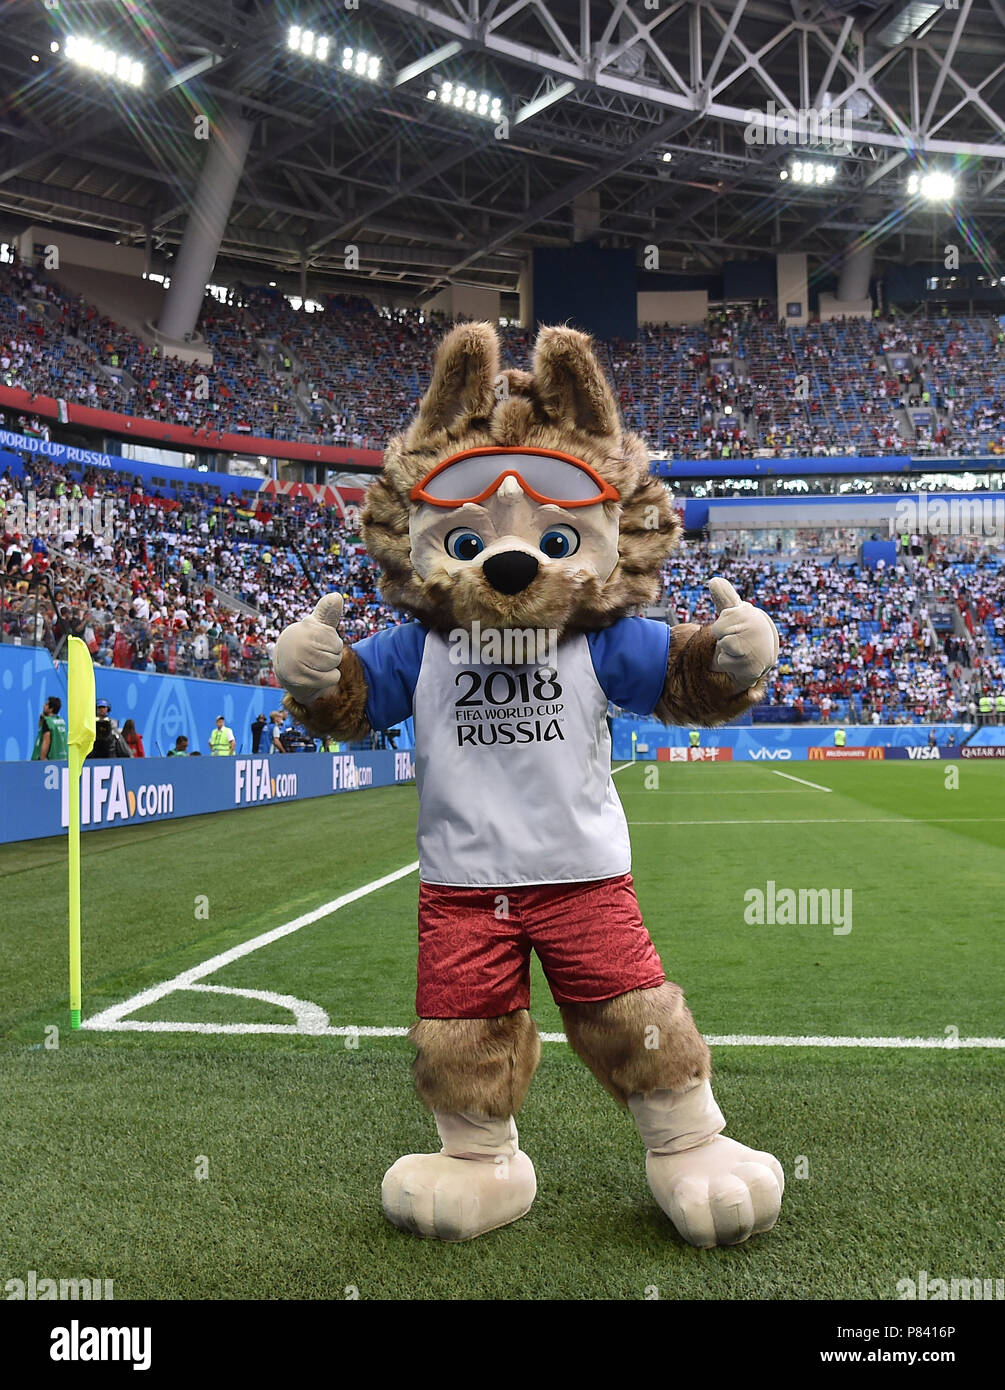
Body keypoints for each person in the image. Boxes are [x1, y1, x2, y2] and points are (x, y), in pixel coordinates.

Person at [31, 695, 68, 760]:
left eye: (46, 704)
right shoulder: (61, 721)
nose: (43, 706)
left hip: (50, 760)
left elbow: (46, 740)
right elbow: (40, 727)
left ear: (51, 709)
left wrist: (42, 758)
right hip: (62, 758)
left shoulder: (48, 721)